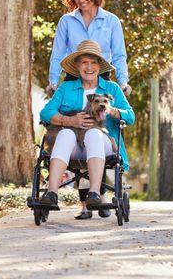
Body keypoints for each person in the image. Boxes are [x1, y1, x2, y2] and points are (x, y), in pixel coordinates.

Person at [45, 0, 132, 218]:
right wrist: (53, 82)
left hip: (102, 78)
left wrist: (122, 82)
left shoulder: (111, 21)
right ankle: (87, 203)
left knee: (98, 132)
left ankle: (99, 195)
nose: (81, 0)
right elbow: (58, 53)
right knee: (73, 132)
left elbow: (118, 55)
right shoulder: (67, 21)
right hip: (73, 77)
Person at [40, 40, 135, 212]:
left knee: (94, 134)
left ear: (99, 66)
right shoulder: (66, 88)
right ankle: (52, 193)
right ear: (77, 65)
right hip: (74, 147)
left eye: (93, 62)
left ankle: (94, 194)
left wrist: (111, 110)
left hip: (102, 145)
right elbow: (46, 113)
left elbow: (130, 116)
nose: (89, 67)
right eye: (84, 62)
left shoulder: (111, 88)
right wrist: (68, 121)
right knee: (65, 134)